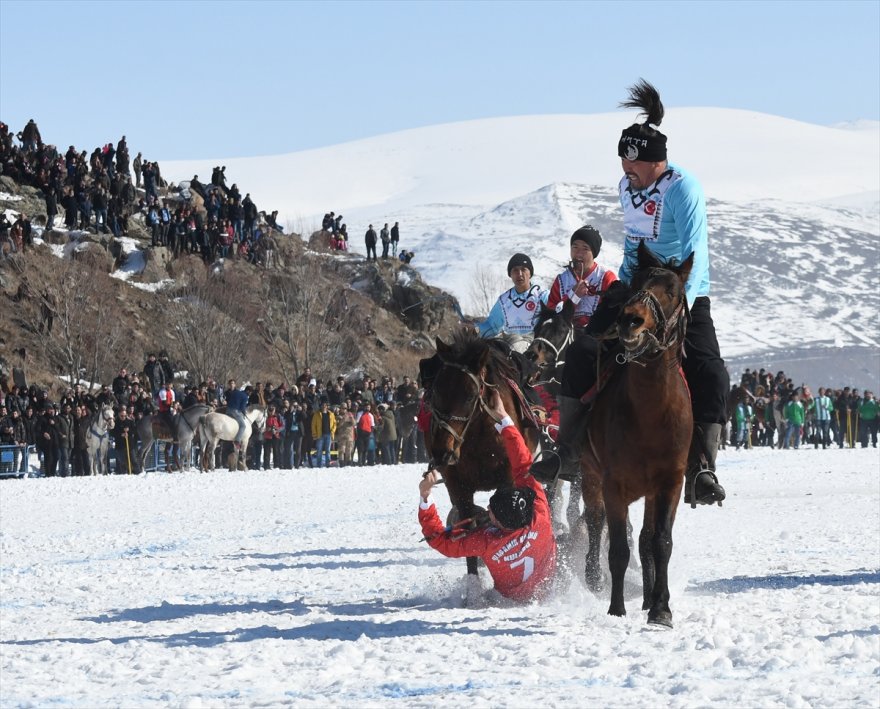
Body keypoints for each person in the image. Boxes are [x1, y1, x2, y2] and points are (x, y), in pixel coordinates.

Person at [418, 390, 557, 603]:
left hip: (505, 601)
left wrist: (425, 497)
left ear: (497, 524)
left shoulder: (487, 541)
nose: (488, 512)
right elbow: (525, 465)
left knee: (464, 519)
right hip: (545, 592)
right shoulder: (540, 515)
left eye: (490, 513)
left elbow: (439, 541)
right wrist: (504, 418)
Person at [528, 226, 618, 481]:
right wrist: (573, 299)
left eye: (585, 249)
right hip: (563, 336)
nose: (578, 253)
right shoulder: (562, 280)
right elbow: (549, 313)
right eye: (575, 247)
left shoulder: (605, 277)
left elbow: (611, 311)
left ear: (594, 254)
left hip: (595, 339)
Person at [477, 253, 547, 352]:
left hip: (537, 347)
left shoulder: (542, 296)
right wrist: (476, 329)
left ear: (530, 273)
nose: (519, 274)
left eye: (523, 269)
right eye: (515, 270)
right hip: (510, 346)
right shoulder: (504, 300)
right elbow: (492, 326)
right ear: (510, 274)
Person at [225, 379, 250, 467]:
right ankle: (237, 440)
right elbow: (242, 408)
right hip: (235, 411)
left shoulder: (235, 392)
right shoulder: (245, 396)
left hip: (227, 410)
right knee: (243, 425)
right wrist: (244, 413)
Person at [311, 400, 336, 467]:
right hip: (320, 435)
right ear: (321, 406)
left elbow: (334, 424)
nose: (324, 407)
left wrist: (332, 432)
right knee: (319, 450)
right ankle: (319, 465)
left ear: (327, 406)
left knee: (328, 450)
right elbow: (313, 425)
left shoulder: (331, 414)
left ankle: (328, 464)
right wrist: (314, 434)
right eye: (323, 405)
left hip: (329, 435)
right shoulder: (317, 414)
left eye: (325, 405)